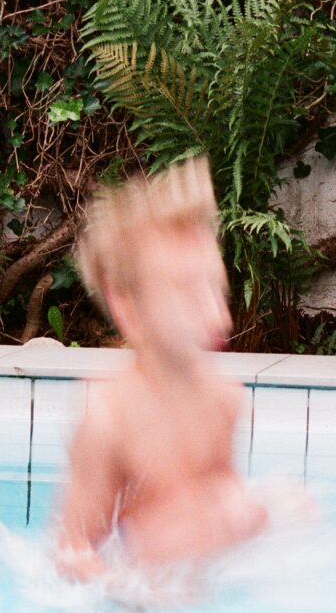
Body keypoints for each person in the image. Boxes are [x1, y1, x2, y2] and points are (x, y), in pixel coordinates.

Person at [54, 156, 270, 579]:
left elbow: (222, 498)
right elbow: (73, 549)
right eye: (189, 294)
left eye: (218, 290)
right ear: (126, 305)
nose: (219, 316)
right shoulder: (109, 423)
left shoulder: (224, 400)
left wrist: (257, 515)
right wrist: (126, 589)